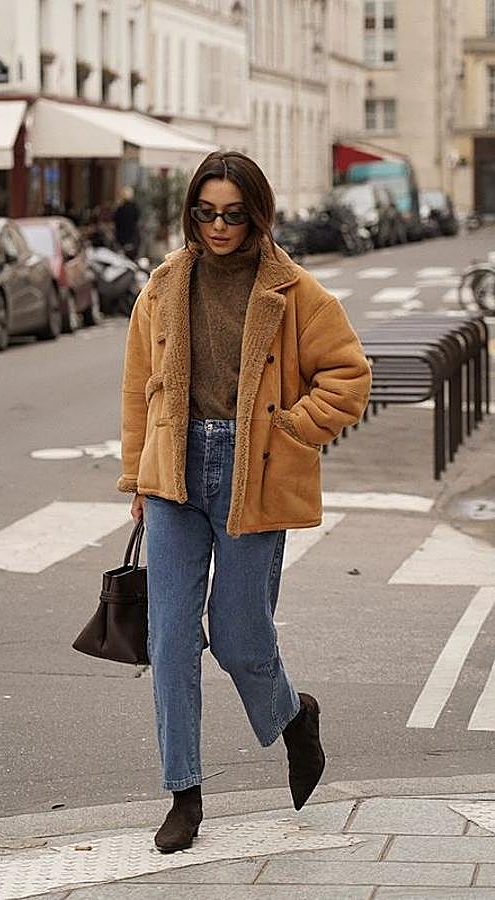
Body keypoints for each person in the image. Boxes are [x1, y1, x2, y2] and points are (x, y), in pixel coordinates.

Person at [117, 151, 371, 853]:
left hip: (251, 470)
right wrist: (137, 479)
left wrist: (290, 428)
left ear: (256, 213)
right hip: (173, 474)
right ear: (190, 212)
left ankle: (296, 719)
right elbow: (142, 388)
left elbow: (348, 377)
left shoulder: (295, 291)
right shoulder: (165, 285)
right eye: (205, 211)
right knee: (170, 639)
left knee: (238, 637)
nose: (218, 225)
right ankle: (184, 795)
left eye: (232, 213)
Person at [113, 185, 141, 258]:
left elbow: (116, 221)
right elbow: (137, 219)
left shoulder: (120, 208)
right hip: (132, 236)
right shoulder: (134, 207)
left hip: (121, 237)